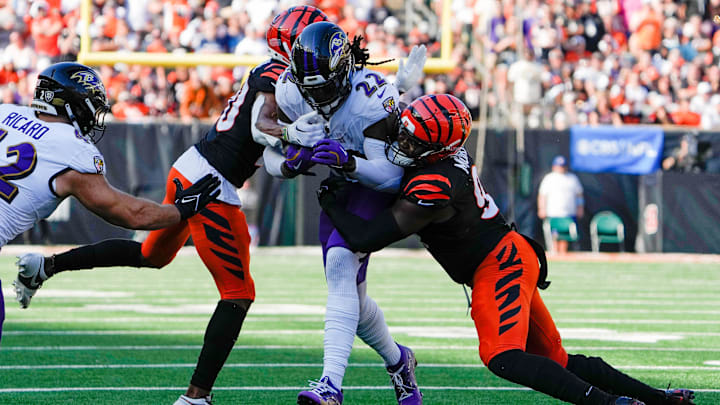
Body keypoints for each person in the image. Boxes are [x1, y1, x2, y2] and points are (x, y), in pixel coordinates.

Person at [12, 6, 330, 405]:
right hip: (211, 180)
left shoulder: (287, 79)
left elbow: (267, 154)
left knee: (151, 255)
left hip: (196, 166)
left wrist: (294, 154)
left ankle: (47, 265)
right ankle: (196, 397)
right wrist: (289, 133)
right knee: (238, 292)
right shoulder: (275, 73)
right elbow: (260, 126)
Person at [317, 93, 696, 405]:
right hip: (509, 253)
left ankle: (611, 404)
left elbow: (367, 238)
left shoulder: (435, 183)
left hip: (498, 263)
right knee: (556, 360)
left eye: (415, 143)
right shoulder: (446, 157)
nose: (403, 145)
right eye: (405, 135)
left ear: (438, 149)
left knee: (502, 357)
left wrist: (331, 202)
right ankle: (661, 400)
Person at [1, 61, 219, 341]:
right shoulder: (72, 150)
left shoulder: (6, 113)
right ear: (73, 104)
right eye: (90, 105)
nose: (93, 115)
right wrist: (184, 209)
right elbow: (133, 215)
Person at [273, 21, 425, 405]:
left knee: (341, 263)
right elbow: (271, 155)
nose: (316, 97)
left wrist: (350, 162)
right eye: (309, 89)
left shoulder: (369, 98)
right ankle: (398, 361)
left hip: (373, 181)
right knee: (351, 297)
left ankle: (330, 385)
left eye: (323, 87)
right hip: (341, 184)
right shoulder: (291, 90)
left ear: (343, 72)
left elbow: (391, 178)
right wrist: (290, 148)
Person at [537, 155, 584, 254]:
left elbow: (579, 195)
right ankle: (555, 253)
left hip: (568, 213)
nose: (561, 168)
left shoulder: (572, 178)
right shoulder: (549, 178)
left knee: (564, 235)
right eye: (559, 166)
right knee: (554, 235)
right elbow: (542, 195)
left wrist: (580, 208)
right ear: (554, 166)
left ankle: (562, 254)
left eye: (563, 166)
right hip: (553, 213)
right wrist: (541, 208)